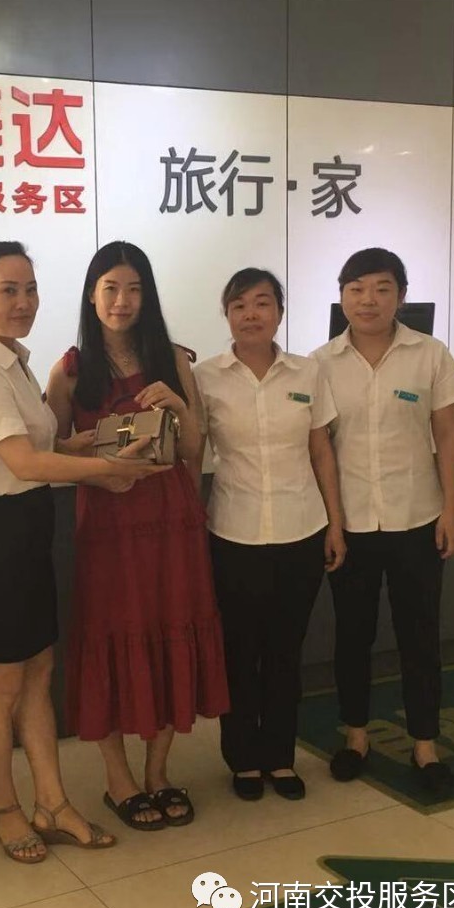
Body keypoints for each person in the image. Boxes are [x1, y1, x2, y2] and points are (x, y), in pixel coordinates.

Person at [0, 239, 162, 863]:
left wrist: (113, 439)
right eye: (7, 290)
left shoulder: (15, 363)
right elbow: (21, 462)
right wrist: (107, 471)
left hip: (30, 529)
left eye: (30, 289)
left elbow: (50, 444)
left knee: (39, 673)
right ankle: (5, 807)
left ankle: (52, 802)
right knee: (1, 685)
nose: (23, 302)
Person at [46, 240, 230, 832]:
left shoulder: (172, 359)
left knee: (169, 631)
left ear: (147, 296)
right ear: (91, 295)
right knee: (111, 639)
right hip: (108, 528)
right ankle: (118, 778)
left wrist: (177, 402)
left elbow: (195, 449)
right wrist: (83, 451)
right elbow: (51, 454)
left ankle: (158, 771)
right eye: (110, 289)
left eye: (133, 289)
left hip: (172, 523)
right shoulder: (69, 371)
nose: (121, 301)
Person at [311, 247, 454, 800]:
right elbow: (320, 448)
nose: (368, 300)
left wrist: (451, 511)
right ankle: (356, 738)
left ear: (401, 295)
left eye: (381, 288)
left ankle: (425, 747)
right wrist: (332, 524)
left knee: (419, 637)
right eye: (356, 289)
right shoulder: (320, 364)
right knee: (352, 636)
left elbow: (448, 434)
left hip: (416, 518)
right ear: (341, 296)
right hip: (350, 523)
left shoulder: (429, 354)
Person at [194, 268, 346, 802]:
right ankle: (242, 759)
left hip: (301, 529)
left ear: (280, 312)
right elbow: (193, 454)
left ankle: (279, 757)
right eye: (239, 305)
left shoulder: (308, 372)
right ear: (227, 315)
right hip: (233, 532)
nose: (251, 314)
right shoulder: (205, 377)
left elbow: (321, 450)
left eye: (262, 303)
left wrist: (335, 523)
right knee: (239, 652)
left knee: (285, 651)